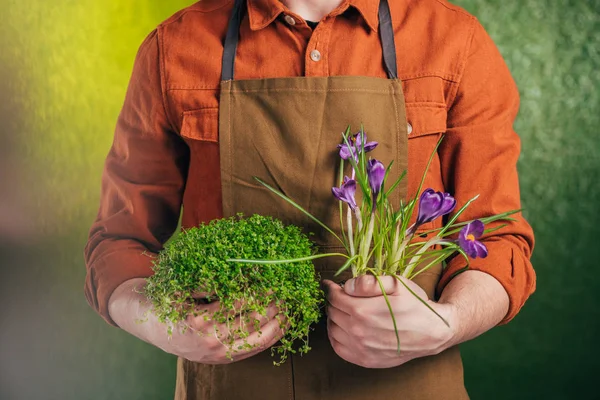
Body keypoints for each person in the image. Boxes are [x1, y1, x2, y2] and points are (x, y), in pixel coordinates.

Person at [84, 0, 536, 398]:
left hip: (408, 388)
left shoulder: (454, 41)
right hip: (234, 389)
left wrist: (448, 322)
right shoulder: (174, 47)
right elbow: (119, 244)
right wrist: (163, 324)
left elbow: (496, 240)